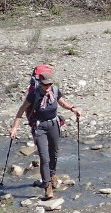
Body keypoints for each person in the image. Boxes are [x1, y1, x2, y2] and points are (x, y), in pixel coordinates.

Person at [8, 70, 82, 200]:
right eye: (45, 85)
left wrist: (73, 108)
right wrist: (14, 128)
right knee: (44, 156)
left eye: (49, 84)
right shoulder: (34, 94)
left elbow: (63, 103)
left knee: (54, 153)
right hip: (39, 127)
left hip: (54, 124)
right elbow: (21, 110)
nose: (47, 87)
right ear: (40, 84)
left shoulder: (55, 90)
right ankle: (47, 186)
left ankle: (52, 175)